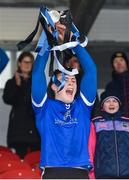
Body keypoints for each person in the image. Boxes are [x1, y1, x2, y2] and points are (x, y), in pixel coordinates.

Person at [32, 21, 97, 179]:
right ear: (53, 86)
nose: (71, 82)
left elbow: (91, 70)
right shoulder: (44, 107)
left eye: (73, 80)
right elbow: (37, 72)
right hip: (53, 172)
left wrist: (73, 42)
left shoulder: (83, 106)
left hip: (80, 172)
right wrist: (46, 38)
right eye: (65, 79)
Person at [3, 51, 40, 159]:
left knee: (35, 160)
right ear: (19, 63)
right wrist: (17, 85)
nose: (28, 65)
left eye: (30, 62)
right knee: (19, 161)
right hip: (18, 130)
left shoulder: (37, 82)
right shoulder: (11, 82)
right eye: (25, 62)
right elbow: (7, 99)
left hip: (34, 128)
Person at [92, 90, 129, 178]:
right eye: (108, 101)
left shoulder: (127, 122)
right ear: (102, 106)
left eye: (115, 101)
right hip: (103, 173)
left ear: (119, 104)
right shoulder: (96, 122)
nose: (111, 104)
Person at [105, 51, 129, 116]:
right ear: (113, 66)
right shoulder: (110, 87)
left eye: (121, 60)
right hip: (120, 123)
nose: (119, 63)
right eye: (115, 61)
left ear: (126, 63)